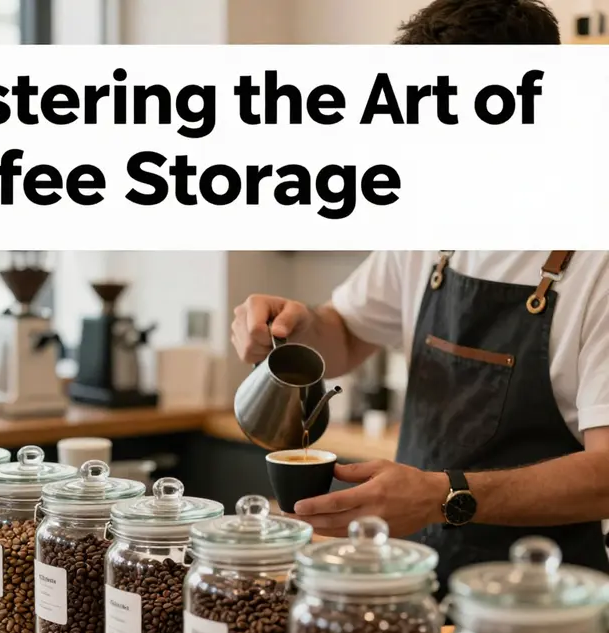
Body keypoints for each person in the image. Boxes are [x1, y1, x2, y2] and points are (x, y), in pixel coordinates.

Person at [231, 2, 609, 597]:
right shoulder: (436, 230)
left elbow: (606, 474)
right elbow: (349, 333)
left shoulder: (597, 256)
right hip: (411, 583)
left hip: (544, 609)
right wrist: (299, 328)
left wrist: (442, 495)